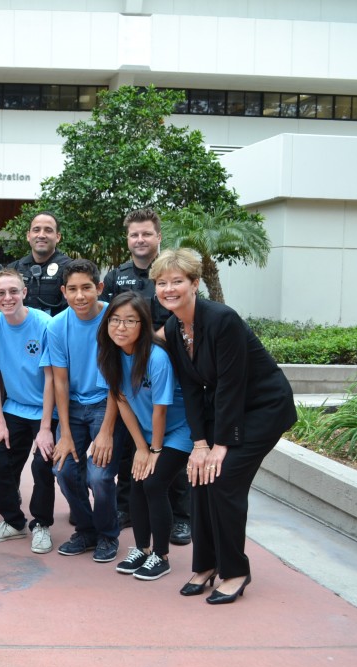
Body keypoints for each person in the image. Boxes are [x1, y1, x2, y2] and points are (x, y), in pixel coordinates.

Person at [152, 249, 296, 604]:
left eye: (177, 281)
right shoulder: (173, 327)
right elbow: (190, 389)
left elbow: (232, 384)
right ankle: (205, 565)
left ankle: (235, 571)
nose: (168, 288)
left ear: (195, 284)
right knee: (199, 475)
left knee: (225, 479)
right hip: (225, 409)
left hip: (263, 407)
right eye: (161, 282)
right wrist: (199, 444)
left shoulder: (222, 319)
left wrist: (220, 445)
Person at [101, 208, 190, 544]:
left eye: (146, 234)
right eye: (134, 234)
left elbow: (184, 312)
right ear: (128, 240)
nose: (140, 239)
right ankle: (129, 507)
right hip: (126, 362)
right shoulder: (115, 277)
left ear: (158, 237)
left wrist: (156, 342)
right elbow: (109, 318)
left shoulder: (168, 272)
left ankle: (182, 517)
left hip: (167, 362)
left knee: (169, 443)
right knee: (129, 442)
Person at [97, 292, 192, 581]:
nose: (121, 327)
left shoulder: (156, 357)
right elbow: (122, 402)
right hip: (148, 433)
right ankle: (141, 548)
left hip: (178, 431)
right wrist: (141, 447)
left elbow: (161, 411)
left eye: (129, 321)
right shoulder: (109, 353)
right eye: (115, 320)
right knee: (136, 480)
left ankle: (160, 556)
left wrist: (154, 450)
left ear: (143, 324)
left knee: (152, 482)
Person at [0, 270, 57, 553]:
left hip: (48, 409)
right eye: (1, 293)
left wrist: (46, 428)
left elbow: (51, 378)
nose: (7, 298)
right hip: (15, 408)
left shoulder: (45, 324)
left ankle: (42, 525)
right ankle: (13, 522)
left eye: (13, 291)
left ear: (24, 292)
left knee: (42, 463)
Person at [49, 259, 121, 563]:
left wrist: (106, 431)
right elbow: (60, 382)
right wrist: (64, 433)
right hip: (73, 407)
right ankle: (86, 529)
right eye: (74, 289)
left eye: (87, 288)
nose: (80, 296)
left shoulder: (114, 319)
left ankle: (108, 534)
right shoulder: (57, 325)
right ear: (64, 291)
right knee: (62, 470)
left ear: (99, 288)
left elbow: (119, 378)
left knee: (100, 476)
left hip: (109, 403)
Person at [8, 211, 71, 317]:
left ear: (58, 237)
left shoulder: (70, 269)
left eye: (48, 230)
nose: (41, 235)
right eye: (36, 230)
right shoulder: (14, 269)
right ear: (28, 236)